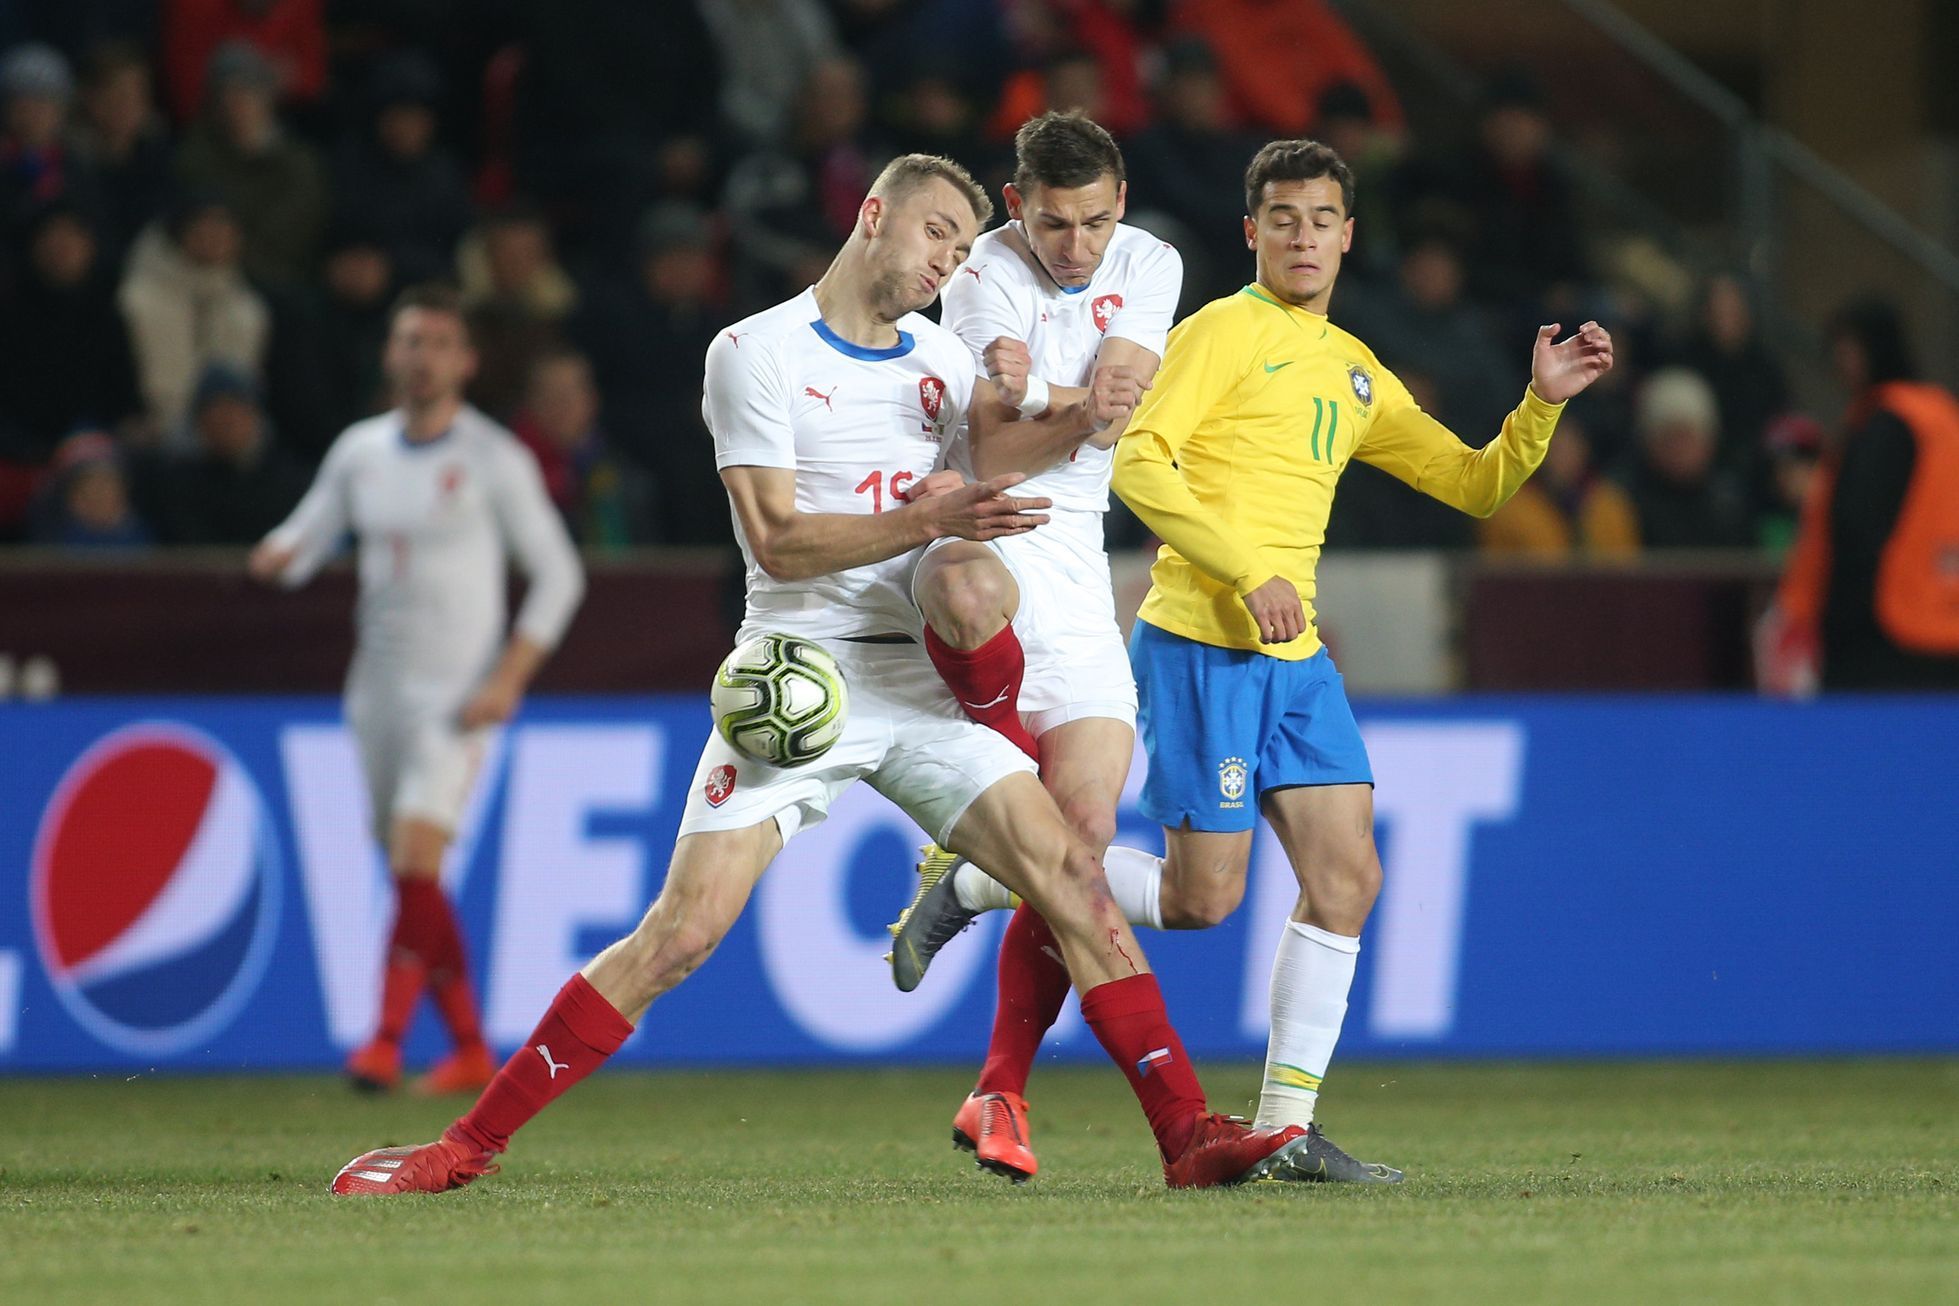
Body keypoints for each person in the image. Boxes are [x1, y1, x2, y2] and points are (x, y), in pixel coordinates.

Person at [327, 154, 1312, 1197]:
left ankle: (1186, 1137)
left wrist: (1096, 413)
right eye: (933, 232)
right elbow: (780, 542)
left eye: (959, 245)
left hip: (920, 690)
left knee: (1073, 875)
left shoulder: (939, 356)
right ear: (872, 214)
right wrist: (930, 517)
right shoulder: (754, 353)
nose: (946, 260)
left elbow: (1002, 451)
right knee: (681, 933)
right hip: (797, 681)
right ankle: (461, 1149)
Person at [896, 139, 1613, 1183]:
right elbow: (1141, 458)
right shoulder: (1219, 334)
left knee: (1349, 875)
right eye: (1282, 219)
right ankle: (986, 877)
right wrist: (1245, 570)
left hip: (1296, 657)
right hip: (1205, 642)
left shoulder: (1357, 369)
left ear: (1349, 235)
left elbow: (1475, 487)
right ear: (1252, 233)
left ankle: (1287, 1128)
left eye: (1322, 219)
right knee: (1202, 901)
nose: (1304, 236)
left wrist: (1540, 403)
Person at [880, 111, 1183, 1183]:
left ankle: (993, 1065)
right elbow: (1004, 450)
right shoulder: (980, 280)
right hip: (992, 535)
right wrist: (1070, 406)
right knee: (963, 593)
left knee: (1086, 839)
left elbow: (1116, 403)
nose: (1079, 247)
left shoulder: (1152, 263)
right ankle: (1006, 1078)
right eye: (1056, 225)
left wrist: (1049, 397)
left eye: (1097, 221)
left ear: (1121, 205)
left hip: (1082, 564)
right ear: (1018, 207)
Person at [250, 283, 586, 1097]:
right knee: (414, 882)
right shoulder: (360, 452)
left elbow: (558, 576)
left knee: (413, 858)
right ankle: (471, 1047)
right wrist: (275, 557)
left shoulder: (490, 458)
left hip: (457, 696)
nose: (422, 356)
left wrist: (507, 679)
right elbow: (303, 541)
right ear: (390, 355)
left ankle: (383, 1040)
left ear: (465, 361)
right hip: (374, 693)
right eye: (410, 341)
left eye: (439, 342)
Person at [1761, 298, 1959, 692]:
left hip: (1884, 628)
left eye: (1846, 351)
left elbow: (1855, 525)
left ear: (1872, 350)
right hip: (1945, 620)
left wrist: (1832, 619)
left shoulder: (1885, 423)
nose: (1839, 365)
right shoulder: (1940, 415)